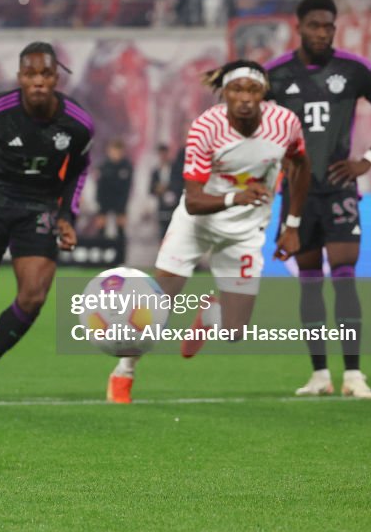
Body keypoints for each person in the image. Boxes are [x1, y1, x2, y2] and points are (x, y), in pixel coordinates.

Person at [107, 60, 311, 404]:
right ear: (224, 93)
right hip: (197, 224)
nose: (245, 98)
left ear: (263, 94)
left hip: (246, 233)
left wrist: (292, 225)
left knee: (234, 332)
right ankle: (124, 371)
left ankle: (210, 314)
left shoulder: (284, 123)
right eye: (237, 89)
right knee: (159, 303)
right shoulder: (206, 126)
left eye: (252, 90)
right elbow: (193, 201)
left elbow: (301, 166)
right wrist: (237, 197)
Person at [266, 0, 371, 399]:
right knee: (310, 284)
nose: (324, 33)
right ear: (299, 27)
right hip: (297, 194)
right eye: (316, 25)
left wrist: (368, 159)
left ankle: (355, 375)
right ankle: (320, 375)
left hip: (340, 188)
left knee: (344, 280)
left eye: (329, 26)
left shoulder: (356, 69)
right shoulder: (275, 74)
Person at [0, 41, 93, 407]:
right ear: (20, 77)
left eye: (46, 74)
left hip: (38, 208)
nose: (38, 81)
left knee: (35, 295)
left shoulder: (79, 124)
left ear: (57, 77)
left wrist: (68, 215)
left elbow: (79, 167)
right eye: (31, 74)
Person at [92, 139, 133, 263]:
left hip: (120, 202)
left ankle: (121, 259)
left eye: (118, 151)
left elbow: (127, 189)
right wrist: (99, 205)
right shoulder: (103, 166)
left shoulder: (127, 166)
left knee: (120, 230)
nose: (115, 154)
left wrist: (123, 207)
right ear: (109, 151)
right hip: (104, 201)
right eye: (113, 151)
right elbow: (99, 188)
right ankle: (100, 258)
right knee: (101, 229)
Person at [149, 143, 184, 241]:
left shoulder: (176, 169)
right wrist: (157, 189)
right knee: (162, 233)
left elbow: (180, 185)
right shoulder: (155, 171)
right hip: (162, 207)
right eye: (161, 154)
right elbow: (151, 190)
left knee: (176, 232)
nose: (163, 156)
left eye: (164, 154)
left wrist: (168, 187)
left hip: (175, 207)